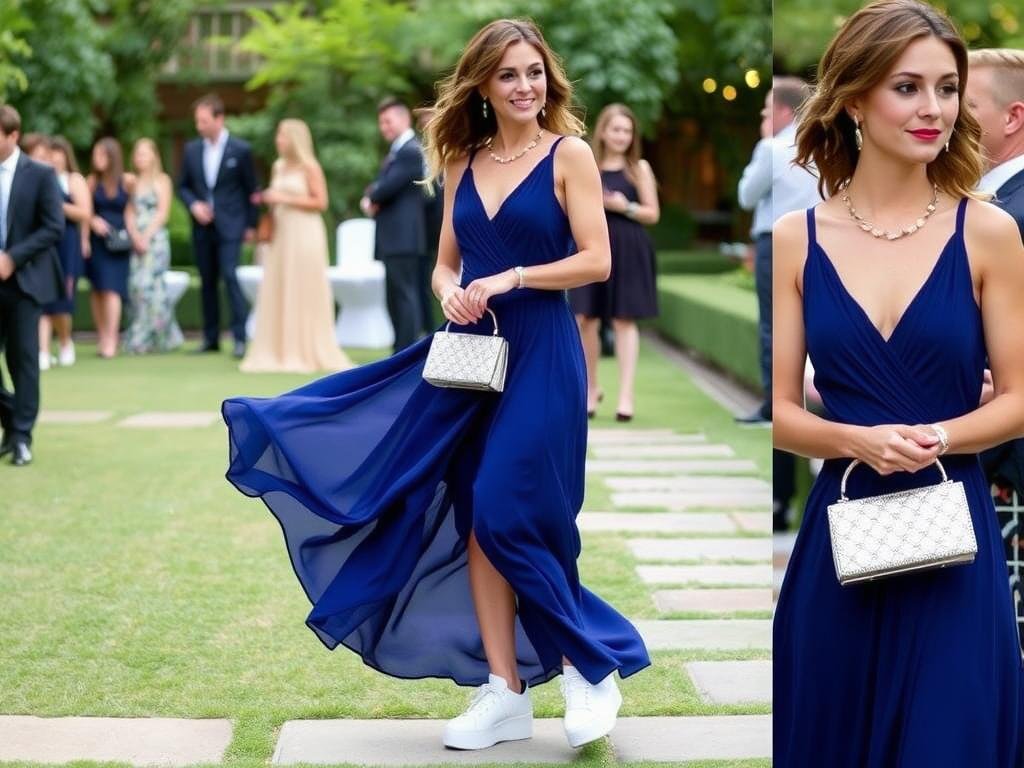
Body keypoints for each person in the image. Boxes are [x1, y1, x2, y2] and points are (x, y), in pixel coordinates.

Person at [222, 18, 648, 753]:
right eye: (508, 74)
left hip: (543, 353)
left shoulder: (569, 154)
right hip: (471, 358)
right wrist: (450, 290)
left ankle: (588, 663)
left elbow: (596, 260)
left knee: (512, 509)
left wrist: (513, 277)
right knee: (479, 515)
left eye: (534, 72)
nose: (525, 86)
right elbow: (445, 264)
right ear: (482, 84)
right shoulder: (461, 158)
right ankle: (504, 691)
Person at [773, 2, 1024, 765]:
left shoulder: (988, 232)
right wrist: (858, 440)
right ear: (855, 99)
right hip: (841, 539)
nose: (933, 109)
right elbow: (780, 414)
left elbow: (1019, 399)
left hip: (955, 542)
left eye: (947, 89)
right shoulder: (796, 240)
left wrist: (938, 435)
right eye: (908, 87)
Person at [737, 78, 823, 531]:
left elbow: (745, 196)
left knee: (776, 335)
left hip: (776, 243)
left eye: (767, 108)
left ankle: (779, 495)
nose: (761, 116)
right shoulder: (825, 146)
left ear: (784, 112)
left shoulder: (772, 148)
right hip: (824, 243)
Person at [568, 104, 659, 422]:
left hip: (629, 247)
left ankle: (625, 396)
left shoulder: (639, 168)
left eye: (627, 131)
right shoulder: (587, 165)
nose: (622, 136)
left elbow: (652, 213)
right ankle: (591, 388)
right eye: (616, 129)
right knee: (585, 318)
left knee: (624, 320)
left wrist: (625, 207)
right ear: (603, 132)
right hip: (589, 246)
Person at [240, 119, 352, 373]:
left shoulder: (309, 166)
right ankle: (278, 349)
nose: (278, 140)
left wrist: (283, 197)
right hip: (282, 234)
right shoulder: (278, 166)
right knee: (280, 285)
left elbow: (320, 202)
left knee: (303, 285)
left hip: (304, 233)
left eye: (282, 135)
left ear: (294, 139)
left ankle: (306, 348)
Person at [0, 105, 65, 467]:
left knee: (23, 360)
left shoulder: (40, 174)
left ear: (13, 135)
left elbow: (54, 226)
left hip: (25, 281)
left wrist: (12, 258)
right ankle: (12, 418)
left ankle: (21, 437)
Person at [177, 93, 258, 359]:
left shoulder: (241, 149)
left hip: (231, 225)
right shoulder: (191, 150)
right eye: (197, 121)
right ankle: (210, 338)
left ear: (219, 118)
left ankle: (239, 337)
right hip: (202, 227)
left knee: (230, 276)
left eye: (203, 121)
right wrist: (194, 205)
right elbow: (182, 186)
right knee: (207, 280)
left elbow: (251, 190)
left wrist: (251, 225)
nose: (199, 126)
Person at [360, 98, 427, 352]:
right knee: (396, 296)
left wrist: (372, 197)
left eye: (387, 121)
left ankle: (405, 351)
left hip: (403, 237)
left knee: (404, 296)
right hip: (396, 237)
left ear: (404, 119)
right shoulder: (399, 151)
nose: (384, 127)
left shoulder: (410, 150)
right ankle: (400, 348)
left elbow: (386, 188)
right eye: (381, 122)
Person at [122, 138, 183, 355]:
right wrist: (134, 234)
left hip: (155, 241)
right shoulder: (133, 182)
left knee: (153, 287)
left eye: (144, 153)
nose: (140, 158)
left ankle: (156, 336)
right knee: (136, 287)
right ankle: (140, 334)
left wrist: (146, 237)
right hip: (136, 239)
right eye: (137, 154)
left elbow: (162, 213)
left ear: (154, 156)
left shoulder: (162, 180)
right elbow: (129, 211)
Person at [39, 136, 90, 369]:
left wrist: (57, 205)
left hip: (67, 243)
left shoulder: (73, 180)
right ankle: (43, 350)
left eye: (57, 153)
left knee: (62, 299)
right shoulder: (40, 178)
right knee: (42, 301)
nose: (53, 158)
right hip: (44, 245)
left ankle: (65, 341)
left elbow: (84, 213)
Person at [85, 138, 133, 359]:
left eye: (102, 155)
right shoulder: (92, 182)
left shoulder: (127, 181)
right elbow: (85, 210)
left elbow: (133, 209)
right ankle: (102, 336)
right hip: (98, 243)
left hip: (118, 243)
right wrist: (92, 221)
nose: (97, 159)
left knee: (112, 290)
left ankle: (112, 338)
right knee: (98, 289)